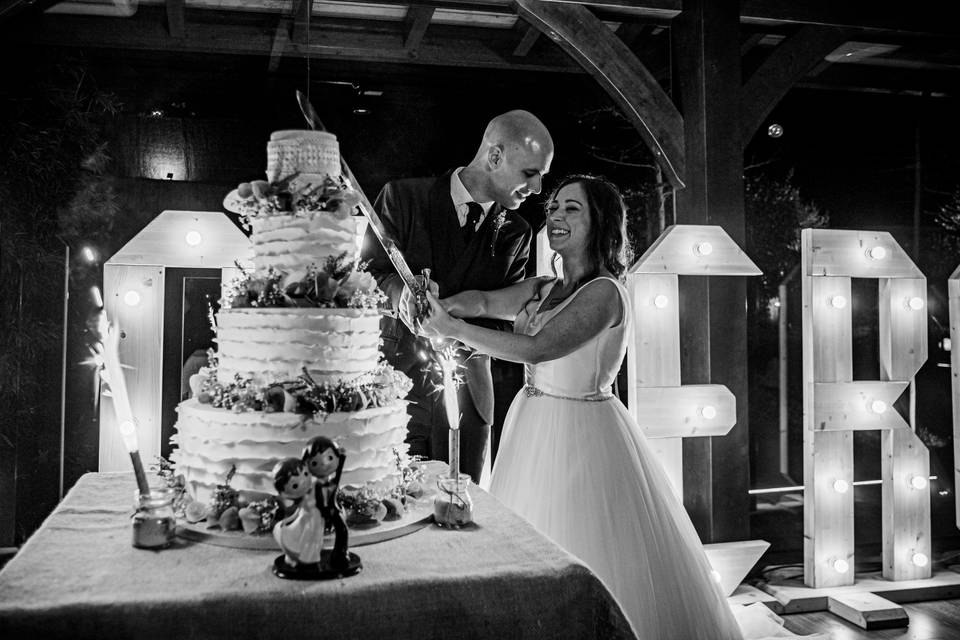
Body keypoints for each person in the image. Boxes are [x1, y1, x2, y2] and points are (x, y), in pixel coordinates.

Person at [418, 175, 819, 639]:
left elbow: (538, 349)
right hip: (532, 424)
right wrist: (440, 306)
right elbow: (485, 300)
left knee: (589, 543)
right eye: (553, 208)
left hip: (583, 432)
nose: (555, 217)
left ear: (601, 224)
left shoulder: (605, 293)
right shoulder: (544, 287)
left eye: (572, 209)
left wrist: (451, 328)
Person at [362, 109, 554, 482]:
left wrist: (453, 319)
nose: (537, 190)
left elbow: (501, 314)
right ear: (495, 156)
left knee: (462, 506)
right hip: (396, 381)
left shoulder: (518, 232)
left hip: (470, 394)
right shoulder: (403, 197)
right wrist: (401, 294)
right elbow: (368, 274)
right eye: (531, 174)